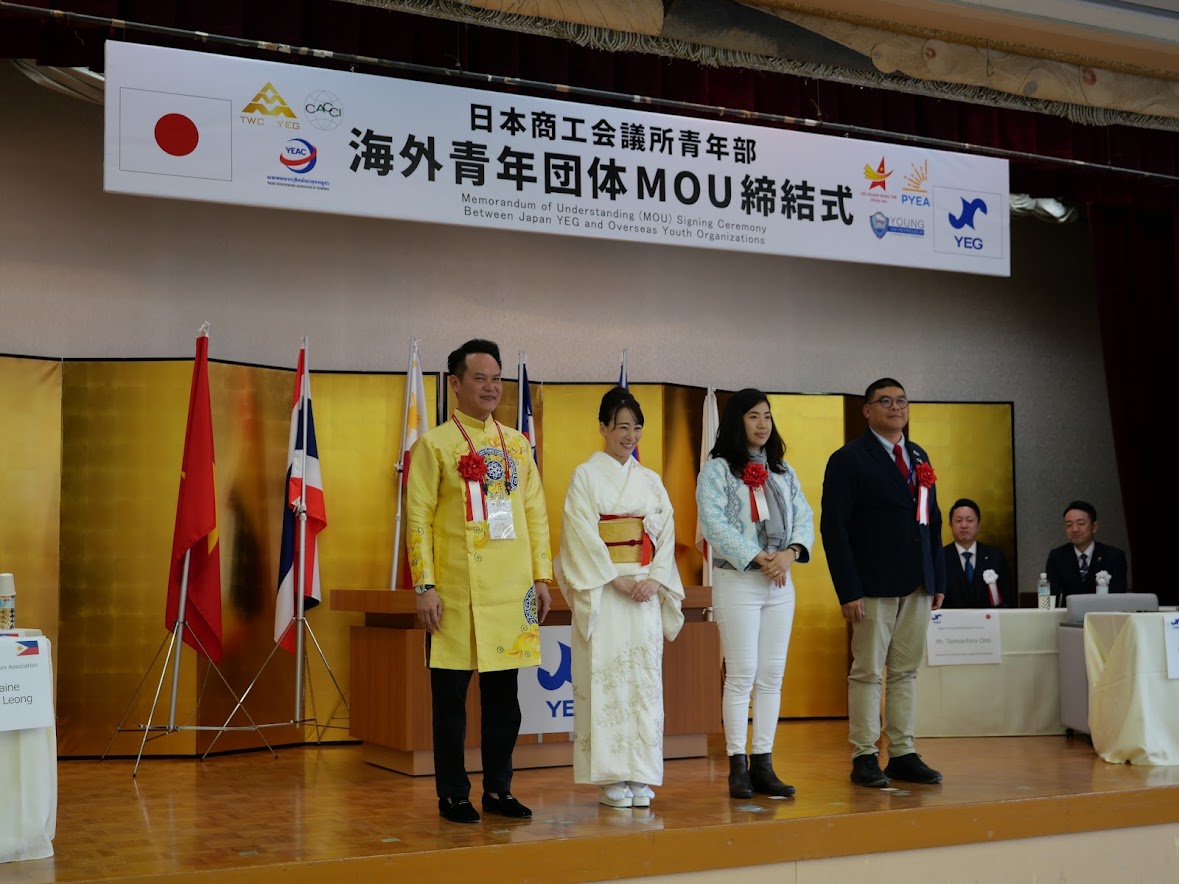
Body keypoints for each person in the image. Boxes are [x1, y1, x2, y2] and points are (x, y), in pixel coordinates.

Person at [405, 338, 554, 824]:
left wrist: (541, 576)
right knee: (450, 701)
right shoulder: (434, 445)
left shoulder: (518, 444)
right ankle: (452, 793)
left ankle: (499, 789)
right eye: (480, 378)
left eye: (496, 378)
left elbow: (535, 512)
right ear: (455, 383)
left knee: (504, 701)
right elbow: (418, 517)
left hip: (511, 592)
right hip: (454, 592)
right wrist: (424, 585)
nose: (491, 387)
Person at [554, 387, 685, 809]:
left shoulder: (651, 481)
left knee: (643, 680)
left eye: (636, 428)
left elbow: (666, 533)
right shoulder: (585, 476)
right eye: (622, 427)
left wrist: (656, 578)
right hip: (606, 592)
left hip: (644, 588)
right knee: (607, 676)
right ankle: (610, 775)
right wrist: (613, 578)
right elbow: (579, 531)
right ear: (603, 428)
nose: (630, 436)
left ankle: (641, 772)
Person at [820, 378, 946, 789]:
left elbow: (932, 521)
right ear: (867, 410)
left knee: (905, 672)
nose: (895, 407)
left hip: (918, 584)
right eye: (885, 401)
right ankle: (864, 754)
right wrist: (849, 589)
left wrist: (937, 577)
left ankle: (903, 753)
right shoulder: (849, 459)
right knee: (868, 672)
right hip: (871, 585)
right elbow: (834, 529)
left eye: (901, 401)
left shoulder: (918, 454)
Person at [696, 388, 814, 799]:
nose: (762, 424)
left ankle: (764, 763)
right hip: (739, 581)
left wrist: (791, 553)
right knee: (742, 674)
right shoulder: (717, 471)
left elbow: (804, 516)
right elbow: (713, 524)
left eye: (767, 416)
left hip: (780, 584)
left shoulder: (783, 470)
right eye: (753, 416)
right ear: (737, 421)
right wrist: (759, 556)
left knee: (771, 676)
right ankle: (737, 765)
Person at [1044, 500, 1128, 602]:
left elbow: (1118, 597)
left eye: (1081, 523)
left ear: (1094, 527)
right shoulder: (1057, 556)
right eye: (1069, 525)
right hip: (1069, 612)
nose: (1075, 529)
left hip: (1103, 611)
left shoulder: (1114, 556)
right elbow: (1052, 596)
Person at [941, 498, 1015, 609]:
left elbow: (1007, 598)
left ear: (979, 525)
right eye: (959, 520)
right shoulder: (940, 558)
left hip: (989, 618)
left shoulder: (995, 557)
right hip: (950, 619)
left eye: (969, 520)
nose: (964, 525)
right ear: (950, 525)